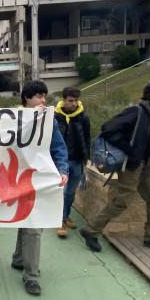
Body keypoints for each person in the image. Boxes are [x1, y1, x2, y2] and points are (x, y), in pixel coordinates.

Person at [80, 80, 150, 253]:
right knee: (121, 201)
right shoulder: (136, 112)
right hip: (132, 167)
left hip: (146, 168)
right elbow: (108, 129)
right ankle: (90, 231)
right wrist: (131, 151)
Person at [10, 80, 69, 296]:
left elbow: (58, 147)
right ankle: (24, 266)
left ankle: (28, 271)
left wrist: (63, 169)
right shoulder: (10, 119)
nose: (43, 101)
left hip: (38, 179)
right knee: (27, 221)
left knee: (34, 224)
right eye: (38, 96)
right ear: (27, 98)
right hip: (14, 179)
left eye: (45, 97)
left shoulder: (48, 121)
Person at [54, 87, 92, 238]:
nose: (74, 104)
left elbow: (87, 138)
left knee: (70, 193)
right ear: (63, 100)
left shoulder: (82, 117)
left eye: (76, 100)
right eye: (70, 101)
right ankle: (60, 222)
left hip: (76, 160)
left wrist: (86, 156)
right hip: (60, 162)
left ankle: (66, 215)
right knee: (62, 192)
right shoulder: (56, 117)